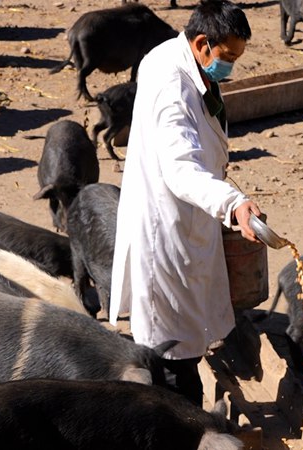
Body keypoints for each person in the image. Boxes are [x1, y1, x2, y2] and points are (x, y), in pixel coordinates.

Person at [109, 0, 262, 406]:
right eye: (227, 57)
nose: (229, 67)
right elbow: (180, 169)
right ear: (201, 42)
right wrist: (231, 202)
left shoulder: (174, 57)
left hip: (188, 215)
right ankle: (179, 418)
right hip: (168, 226)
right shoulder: (171, 85)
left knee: (182, 336)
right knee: (174, 355)